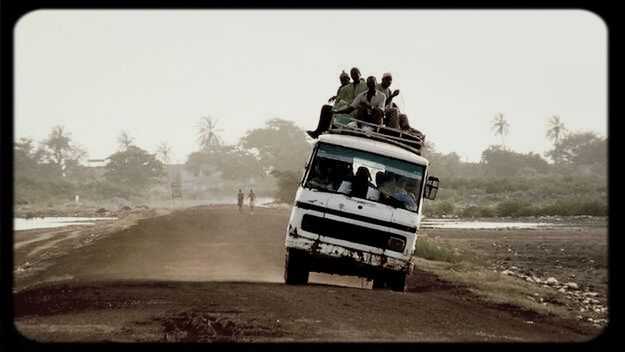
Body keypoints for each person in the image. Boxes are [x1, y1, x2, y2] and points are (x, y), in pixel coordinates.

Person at [307, 67, 367, 139]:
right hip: (343, 107)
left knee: (330, 111)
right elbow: (339, 99)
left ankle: (321, 131)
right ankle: (319, 131)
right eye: (342, 79)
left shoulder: (363, 85)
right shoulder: (344, 88)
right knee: (326, 109)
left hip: (354, 109)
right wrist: (336, 100)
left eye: (345, 78)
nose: (344, 80)